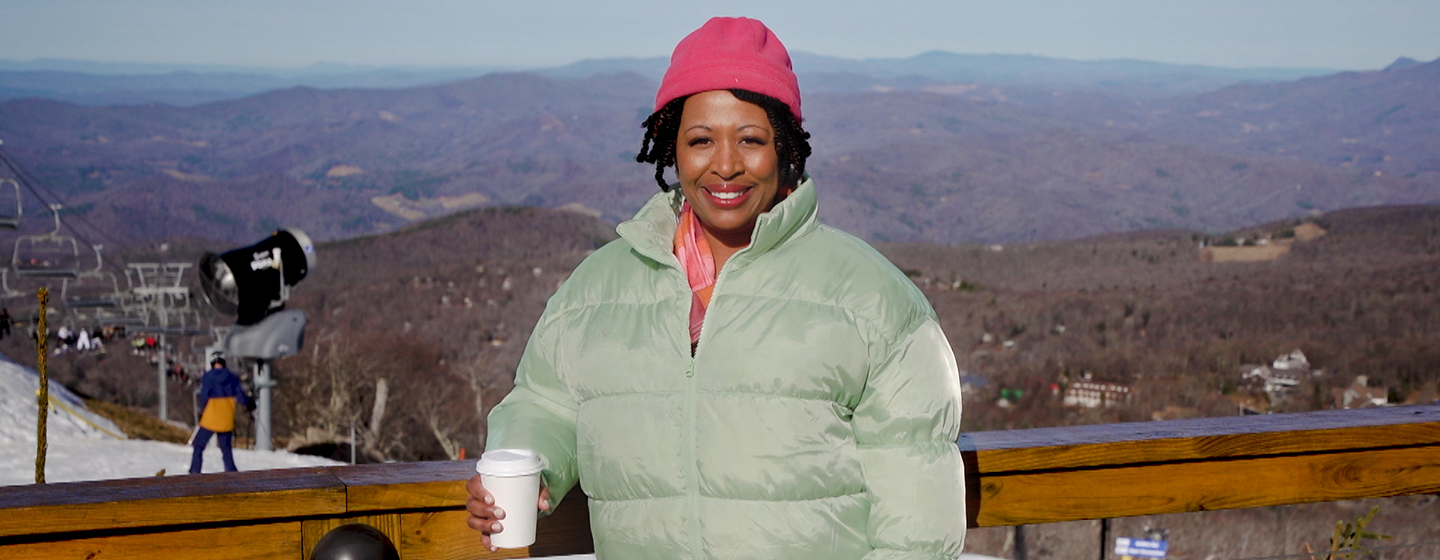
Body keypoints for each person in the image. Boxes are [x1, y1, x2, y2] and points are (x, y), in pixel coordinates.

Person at [465, 17, 965, 560]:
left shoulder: (872, 301)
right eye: (701, 140)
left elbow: (917, 520)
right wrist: (525, 464)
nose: (725, 166)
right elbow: (546, 402)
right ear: (671, 149)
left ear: (786, 149)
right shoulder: (598, 288)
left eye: (751, 140)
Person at [190, 356, 254, 473]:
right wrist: (249, 403)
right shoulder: (232, 376)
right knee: (226, 447)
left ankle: (195, 471)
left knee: (199, 445)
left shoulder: (208, 376)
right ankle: (231, 471)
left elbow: (205, 395)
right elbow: (239, 395)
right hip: (226, 414)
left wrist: (201, 410)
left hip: (211, 413)